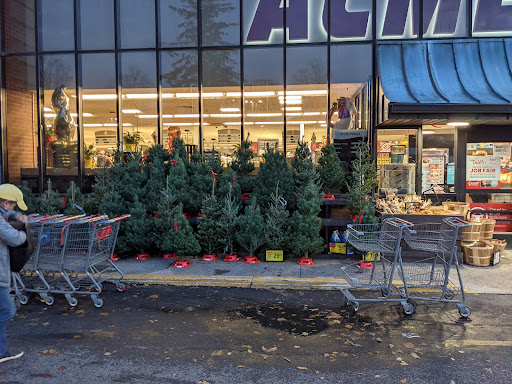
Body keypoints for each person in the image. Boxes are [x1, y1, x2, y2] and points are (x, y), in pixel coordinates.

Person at [0, 184, 28, 363]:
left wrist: (15, 216)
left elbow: (6, 215)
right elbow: (14, 238)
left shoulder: (3, 214)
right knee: (7, 310)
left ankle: (1, 352)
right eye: (13, 205)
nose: (15, 208)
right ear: (5, 202)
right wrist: (27, 232)